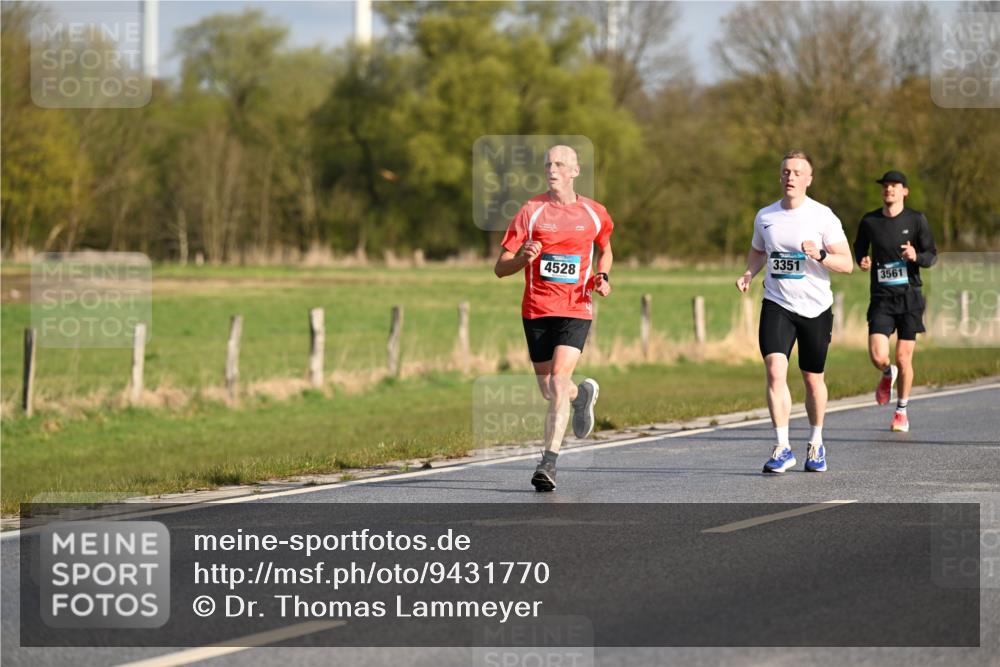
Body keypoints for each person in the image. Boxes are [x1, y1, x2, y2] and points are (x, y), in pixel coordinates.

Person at [494, 145, 614, 491]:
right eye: (548, 163)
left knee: (559, 381)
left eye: (560, 163)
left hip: (576, 308)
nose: (552, 168)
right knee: (550, 390)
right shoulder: (530, 211)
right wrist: (524, 260)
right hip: (536, 310)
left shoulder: (594, 213)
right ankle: (583, 397)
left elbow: (605, 249)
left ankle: (548, 462)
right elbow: (500, 267)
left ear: (576, 171)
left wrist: (602, 277)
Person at [735, 150, 853, 473]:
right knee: (775, 370)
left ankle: (815, 443)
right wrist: (749, 273)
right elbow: (759, 250)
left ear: (809, 179)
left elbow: (847, 264)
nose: (791, 177)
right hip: (777, 303)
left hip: (816, 308)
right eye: (786, 171)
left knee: (813, 379)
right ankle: (782, 447)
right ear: (780, 176)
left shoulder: (823, 216)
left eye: (798, 173)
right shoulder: (766, 216)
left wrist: (821, 255)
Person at [853, 170, 937, 432]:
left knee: (904, 357)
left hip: (910, 297)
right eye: (886, 186)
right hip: (881, 299)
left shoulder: (916, 220)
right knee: (878, 355)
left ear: (904, 191)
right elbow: (859, 247)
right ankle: (886, 373)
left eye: (894, 186)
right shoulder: (870, 221)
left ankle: (901, 411)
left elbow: (931, 256)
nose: (889, 190)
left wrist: (916, 256)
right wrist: (862, 260)